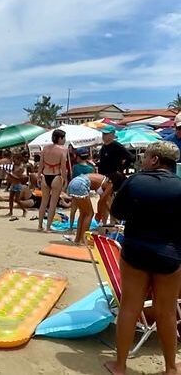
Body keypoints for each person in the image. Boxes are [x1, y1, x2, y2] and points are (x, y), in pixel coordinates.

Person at [104, 141, 181, 375]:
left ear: (155, 160)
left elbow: (116, 213)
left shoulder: (136, 181)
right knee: (166, 311)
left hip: (136, 250)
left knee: (129, 307)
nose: (143, 161)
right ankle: (170, 368)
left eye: (146, 157)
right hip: (169, 254)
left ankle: (120, 366)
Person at [66, 172, 124, 245]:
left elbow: (104, 202)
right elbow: (102, 200)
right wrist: (99, 214)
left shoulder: (104, 179)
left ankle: (78, 239)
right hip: (81, 184)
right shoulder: (110, 184)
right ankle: (83, 240)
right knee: (89, 214)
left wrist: (102, 213)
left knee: (83, 213)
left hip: (74, 182)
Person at [37, 129, 68, 232]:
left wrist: (38, 176)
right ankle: (48, 227)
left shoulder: (45, 149)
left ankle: (40, 225)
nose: (64, 140)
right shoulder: (63, 150)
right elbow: (63, 168)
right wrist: (65, 180)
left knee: (43, 202)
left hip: (45, 175)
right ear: (60, 138)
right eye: (64, 138)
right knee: (53, 204)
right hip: (56, 176)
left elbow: (40, 164)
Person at [6, 153, 28, 219]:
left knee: (17, 200)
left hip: (18, 184)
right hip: (13, 184)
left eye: (15, 160)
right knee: (10, 198)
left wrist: (10, 175)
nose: (14, 161)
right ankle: (10, 212)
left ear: (19, 160)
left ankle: (24, 210)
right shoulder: (14, 166)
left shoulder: (21, 168)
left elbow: (19, 178)